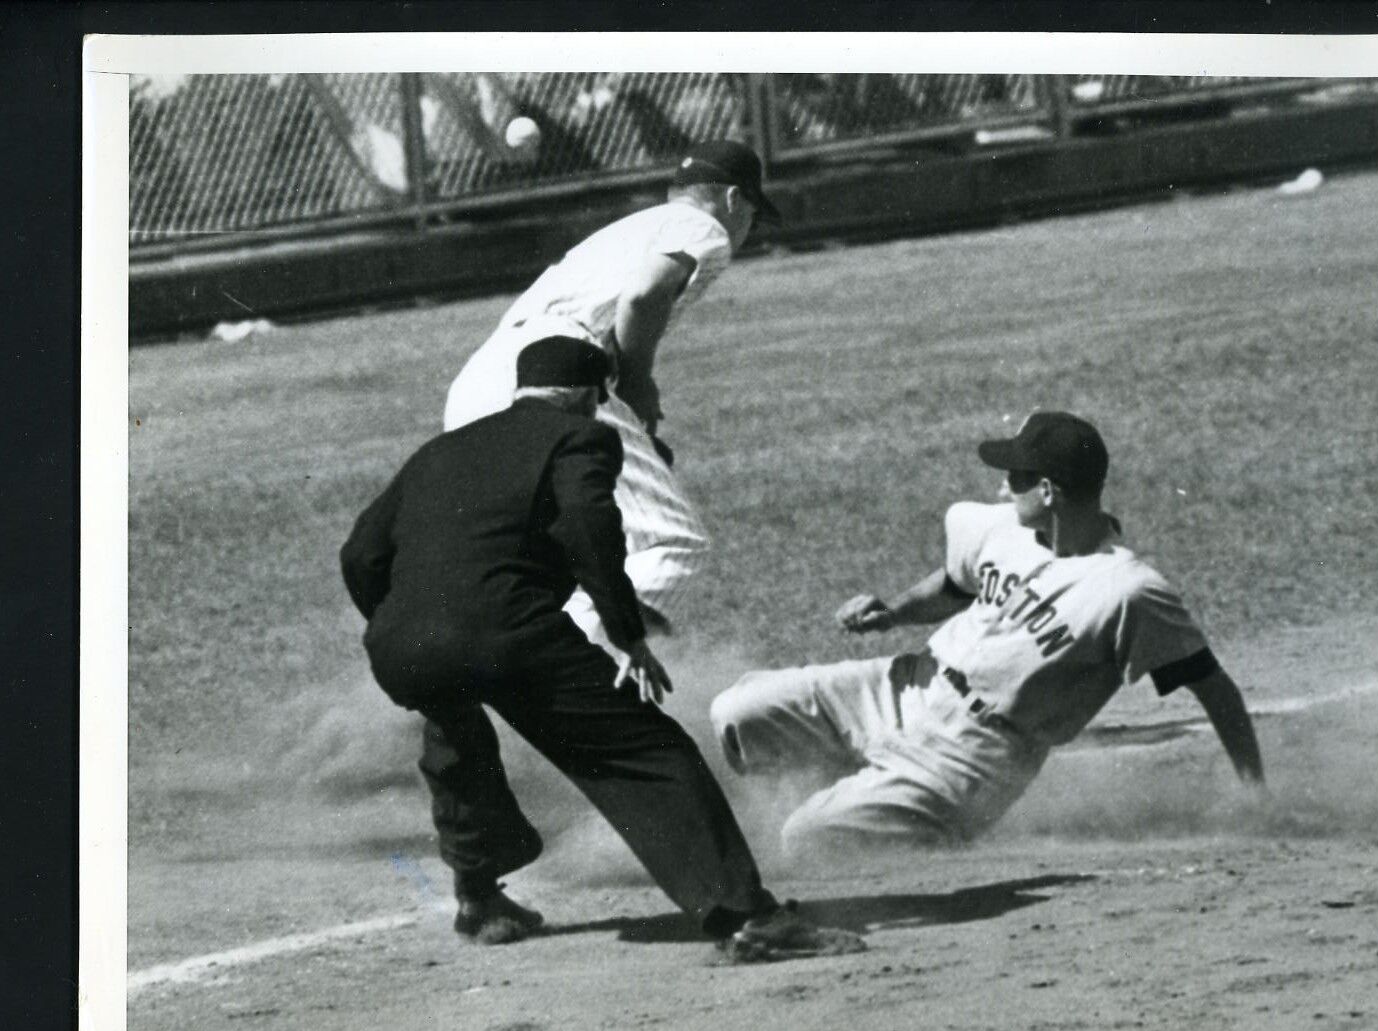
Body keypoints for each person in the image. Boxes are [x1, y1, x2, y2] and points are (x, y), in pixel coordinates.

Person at [341, 335, 860, 962]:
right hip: (507, 632)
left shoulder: (440, 451)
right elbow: (589, 525)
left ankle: (479, 898)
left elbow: (362, 552)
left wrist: (406, 625)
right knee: (648, 752)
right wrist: (628, 634)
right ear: (588, 396)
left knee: (456, 737)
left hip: (403, 647)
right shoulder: (580, 435)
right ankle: (749, 920)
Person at [710, 411, 1265, 852]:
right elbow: (957, 586)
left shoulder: (1128, 592)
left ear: (1048, 491)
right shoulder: (1003, 529)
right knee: (735, 713)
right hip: (901, 688)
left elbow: (1214, 688)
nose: (1003, 486)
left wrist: (1255, 793)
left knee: (806, 839)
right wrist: (895, 612)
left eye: (1017, 477)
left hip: (974, 755)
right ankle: (861, 784)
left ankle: (917, 824)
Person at [442, 139, 781, 647]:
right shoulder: (703, 226)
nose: (747, 231)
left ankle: (463, 688)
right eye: (753, 215)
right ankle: (574, 681)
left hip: (477, 384)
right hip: (556, 372)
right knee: (668, 544)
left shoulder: (625, 230)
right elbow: (643, 296)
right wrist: (638, 382)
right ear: (734, 199)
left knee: (551, 560)